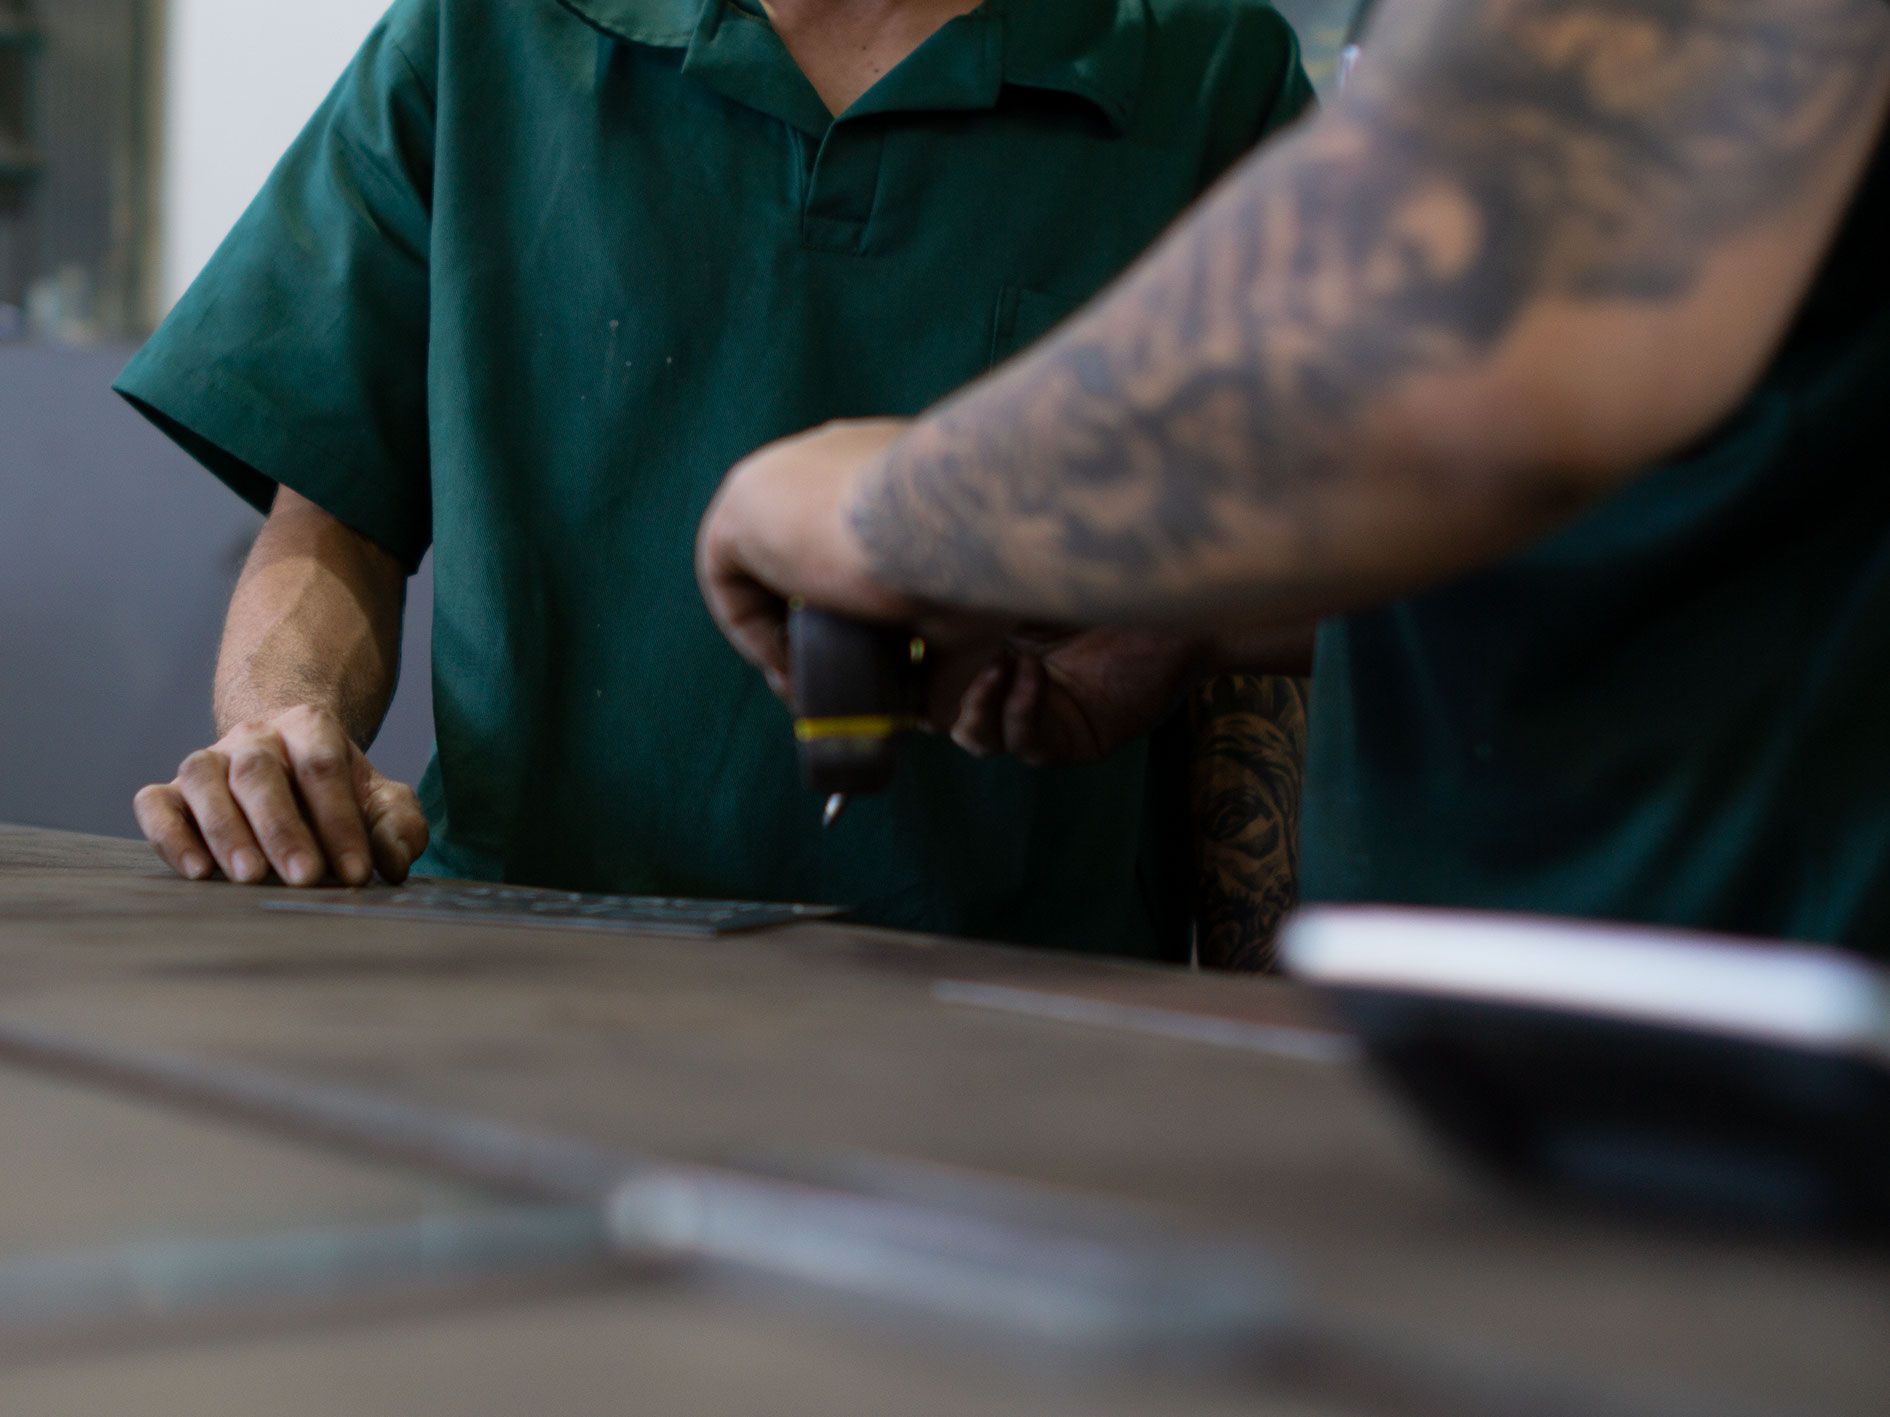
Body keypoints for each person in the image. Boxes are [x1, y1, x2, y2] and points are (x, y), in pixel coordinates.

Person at [120, 0, 1318, 961]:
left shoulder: (1208, 73)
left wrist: (1280, 1007)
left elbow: (1305, 574)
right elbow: (337, 514)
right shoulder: (485, 36)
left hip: (1017, 988)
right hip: (520, 959)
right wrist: (285, 725)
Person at [698, 0, 1890, 954]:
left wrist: (887, 509)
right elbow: (1691, 447)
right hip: (1616, 1050)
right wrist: (1194, 610)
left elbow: (1467, 330)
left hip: (1776, 1051)